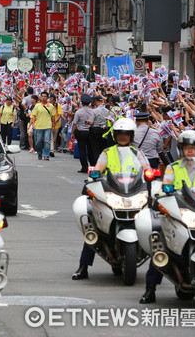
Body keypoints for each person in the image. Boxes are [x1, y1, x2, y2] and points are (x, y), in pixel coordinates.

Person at [72, 117, 150, 280]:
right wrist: (94, 175)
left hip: (133, 192)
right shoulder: (107, 152)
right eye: (120, 133)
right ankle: (83, 267)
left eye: (126, 134)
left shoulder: (138, 153)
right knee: (93, 227)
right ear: (115, 135)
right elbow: (98, 168)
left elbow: (146, 169)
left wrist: (150, 176)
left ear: (131, 136)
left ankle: (155, 274)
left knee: (154, 227)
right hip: (112, 192)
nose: (123, 136)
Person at [139, 130, 195, 304]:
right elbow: (165, 186)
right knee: (161, 244)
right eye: (186, 148)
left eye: (193, 148)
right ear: (181, 149)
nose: (190, 151)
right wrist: (163, 194)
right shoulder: (172, 168)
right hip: (179, 213)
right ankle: (150, 289)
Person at [71, 94, 94, 173]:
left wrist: (72, 133)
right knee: (91, 151)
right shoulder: (93, 111)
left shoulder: (78, 112)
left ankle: (84, 167)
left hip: (81, 132)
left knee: (82, 151)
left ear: (82, 102)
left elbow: (74, 124)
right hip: (90, 133)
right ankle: (92, 167)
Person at [30, 91, 56, 160]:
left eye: (45, 96)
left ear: (47, 98)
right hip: (39, 126)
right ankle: (39, 153)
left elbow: (53, 117)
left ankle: (46, 155)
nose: (43, 98)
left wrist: (53, 126)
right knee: (38, 141)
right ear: (40, 97)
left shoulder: (51, 106)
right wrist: (33, 124)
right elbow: (34, 116)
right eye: (42, 96)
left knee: (47, 141)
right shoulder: (37, 106)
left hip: (47, 126)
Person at [90, 96, 109, 165]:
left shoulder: (94, 111)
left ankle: (97, 165)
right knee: (103, 149)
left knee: (95, 149)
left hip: (95, 130)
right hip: (104, 130)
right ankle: (103, 164)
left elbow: (91, 122)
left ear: (96, 101)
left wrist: (87, 122)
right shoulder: (107, 111)